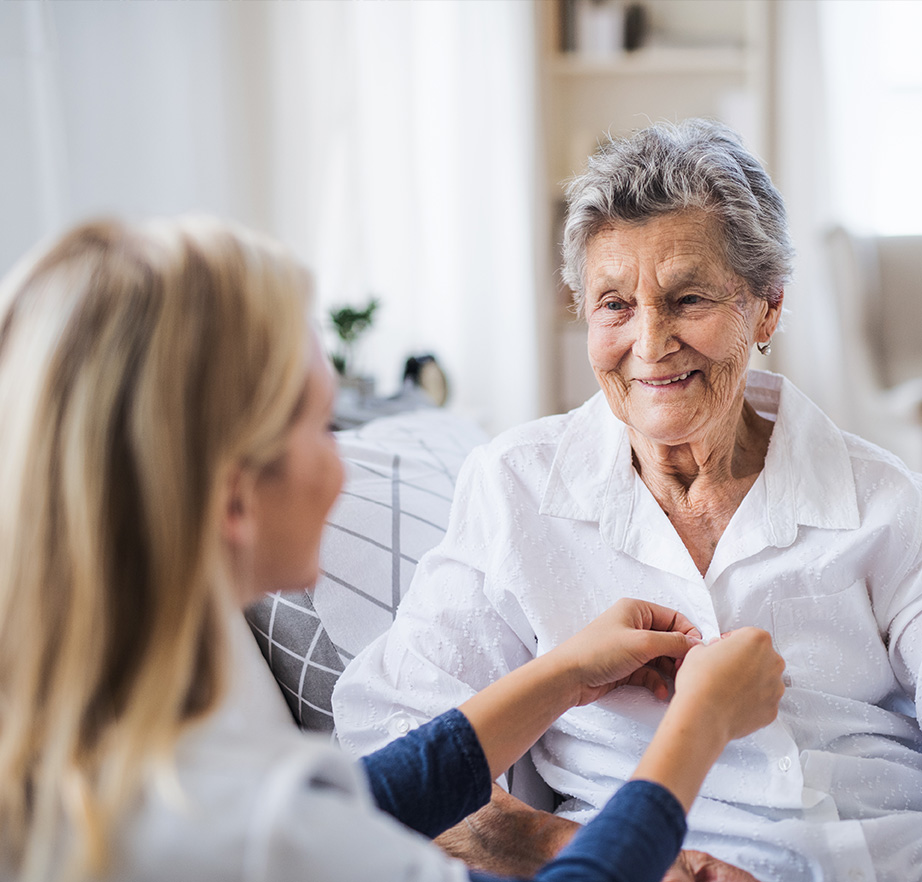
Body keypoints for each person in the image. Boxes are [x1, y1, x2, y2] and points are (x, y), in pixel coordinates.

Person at [0, 216, 785, 882]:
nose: (345, 460)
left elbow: (363, 796)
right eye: (320, 425)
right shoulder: (264, 836)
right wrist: (700, 726)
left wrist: (564, 673)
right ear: (235, 496)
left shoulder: (102, 765)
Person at [333, 118, 922, 882]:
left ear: (767, 308)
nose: (649, 343)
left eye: (687, 299)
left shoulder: (882, 498)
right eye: (614, 304)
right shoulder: (517, 488)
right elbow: (393, 739)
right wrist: (566, 847)